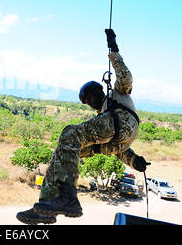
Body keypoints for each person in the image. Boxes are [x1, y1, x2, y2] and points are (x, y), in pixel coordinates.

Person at [16, 29, 149, 225]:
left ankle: (69, 197)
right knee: (61, 153)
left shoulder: (117, 95)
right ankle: (45, 207)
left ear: (98, 90)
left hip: (122, 121)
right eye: (86, 102)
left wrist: (113, 48)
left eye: (89, 98)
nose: (89, 103)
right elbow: (118, 149)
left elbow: (125, 77)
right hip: (116, 139)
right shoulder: (103, 116)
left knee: (70, 132)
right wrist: (134, 161)